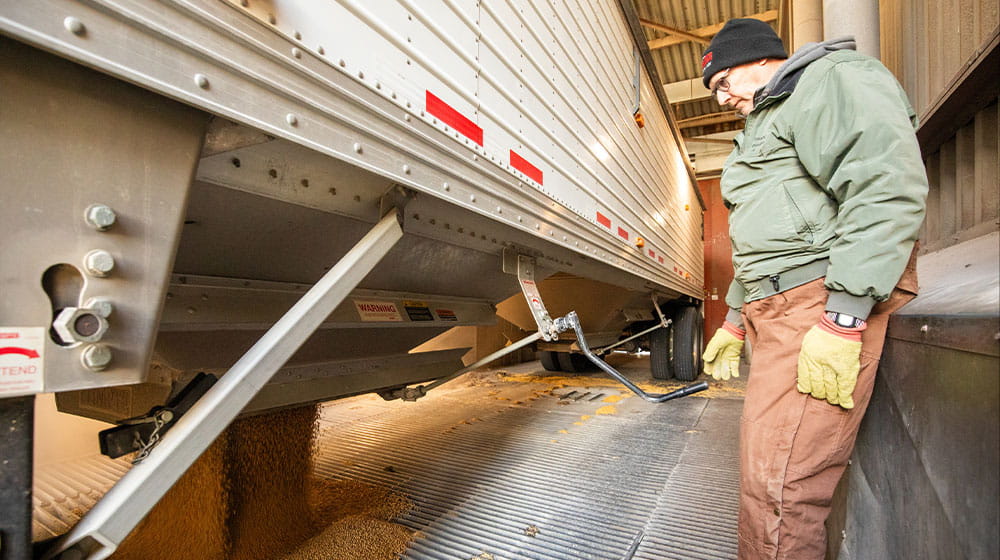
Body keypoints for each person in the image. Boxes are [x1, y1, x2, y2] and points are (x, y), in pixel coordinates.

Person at [698, 18, 928, 559]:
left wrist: (845, 316)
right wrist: (734, 317)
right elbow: (764, 232)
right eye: (714, 90)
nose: (722, 97)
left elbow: (884, 184)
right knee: (766, 474)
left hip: (816, 305)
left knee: (781, 488)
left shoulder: (830, 81)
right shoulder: (767, 119)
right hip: (778, 309)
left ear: (760, 60)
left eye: (725, 81)